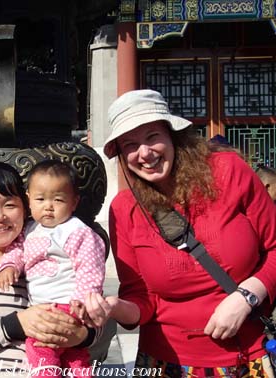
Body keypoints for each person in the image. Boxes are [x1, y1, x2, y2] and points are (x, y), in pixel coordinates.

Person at [85, 89, 276, 377]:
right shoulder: (125, 208)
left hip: (247, 355)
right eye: (130, 145)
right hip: (165, 361)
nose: (144, 153)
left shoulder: (228, 172)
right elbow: (142, 299)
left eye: (152, 137)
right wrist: (114, 307)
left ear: (173, 135)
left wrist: (246, 297)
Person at [0, 162, 102, 378]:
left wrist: (82, 335)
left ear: (26, 206)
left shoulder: (49, 254)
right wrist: (16, 324)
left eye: (9, 205)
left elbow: (95, 314)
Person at [0, 160, 106, 378]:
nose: (48, 206)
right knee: (74, 357)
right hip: (43, 307)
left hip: (69, 306)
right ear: (28, 199)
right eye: (40, 199)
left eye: (58, 200)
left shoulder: (76, 231)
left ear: (74, 202)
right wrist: (9, 265)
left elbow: (90, 267)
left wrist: (82, 299)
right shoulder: (29, 229)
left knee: (41, 348)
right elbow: (17, 249)